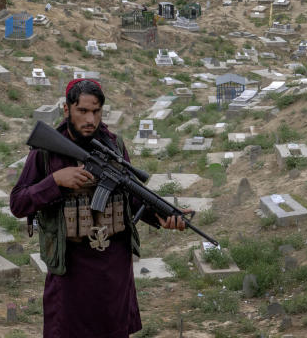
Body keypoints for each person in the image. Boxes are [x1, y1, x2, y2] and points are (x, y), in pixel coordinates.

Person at [10, 79, 186, 338]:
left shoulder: (114, 146)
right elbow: (18, 203)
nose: (90, 119)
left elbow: (132, 196)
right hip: (69, 272)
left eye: (96, 111)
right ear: (66, 109)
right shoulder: (46, 152)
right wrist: (55, 181)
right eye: (82, 111)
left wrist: (162, 217)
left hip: (113, 271)